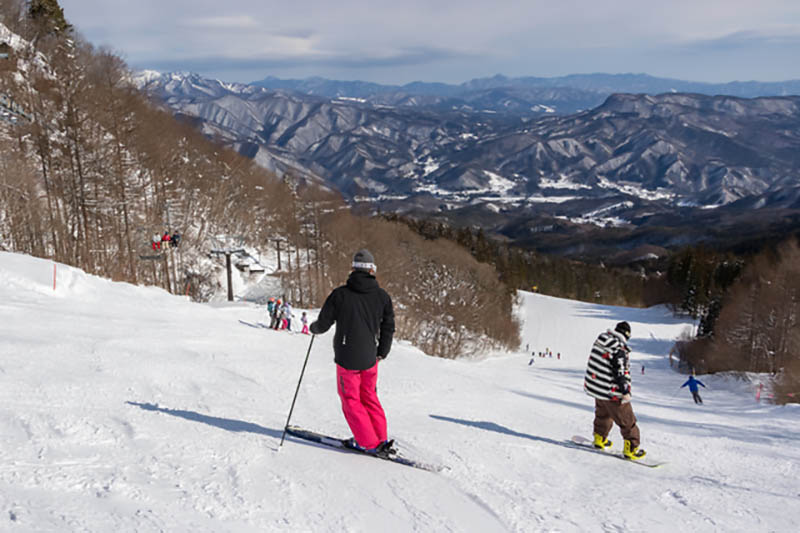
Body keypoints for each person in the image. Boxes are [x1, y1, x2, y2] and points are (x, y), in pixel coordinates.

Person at [310, 249, 396, 457]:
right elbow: (388, 326)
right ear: (372, 270)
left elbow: (323, 323)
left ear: (353, 269)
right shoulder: (382, 296)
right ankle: (380, 438)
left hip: (347, 357)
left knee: (351, 399)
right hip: (370, 357)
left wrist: (314, 328)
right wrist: (382, 351)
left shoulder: (340, 295)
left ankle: (367, 443)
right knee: (369, 396)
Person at [583, 321, 646, 460]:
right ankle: (632, 448)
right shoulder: (618, 349)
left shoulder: (602, 340)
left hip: (598, 388)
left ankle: (599, 439)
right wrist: (625, 391)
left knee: (603, 414)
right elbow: (620, 371)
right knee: (627, 420)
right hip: (612, 392)